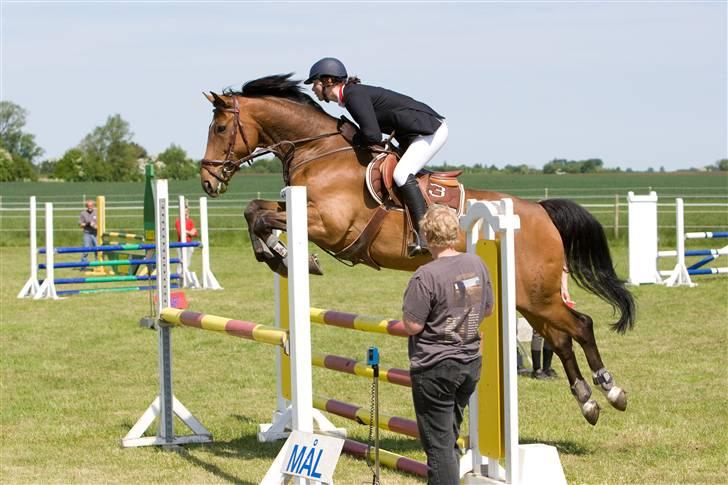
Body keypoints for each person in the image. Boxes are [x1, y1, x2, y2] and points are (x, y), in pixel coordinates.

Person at [305, 57, 448, 256]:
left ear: (328, 81)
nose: (313, 89)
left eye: (315, 83)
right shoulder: (351, 96)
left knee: (401, 174)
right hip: (411, 134)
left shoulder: (353, 95)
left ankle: (425, 235)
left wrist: (354, 137)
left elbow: (372, 135)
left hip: (429, 130)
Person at [401, 204, 494, 484]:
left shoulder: (425, 275)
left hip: (435, 367)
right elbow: (487, 309)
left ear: (426, 236)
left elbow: (412, 325)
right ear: (455, 232)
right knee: (448, 435)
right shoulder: (476, 264)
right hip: (469, 362)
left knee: (439, 447)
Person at [175, 203, 198, 271]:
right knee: (181, 261)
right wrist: (190, 232)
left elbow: (195, 233)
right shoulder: (178, 221)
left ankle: (185, 273)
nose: (186, 213)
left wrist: (186, 231)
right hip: (181, 245)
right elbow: (181, 233)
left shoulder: (190, 221)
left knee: (188, 262)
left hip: (189, 244)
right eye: (185, 212)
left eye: (187, 211)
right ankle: (179, 274)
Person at [78, 199, 98, 265]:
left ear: (94, 206)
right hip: (87, 233)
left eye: (91, 205)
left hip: (96, 233)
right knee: (85, 249)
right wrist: (88, 224)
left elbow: (101, 224)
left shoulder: (97, 212)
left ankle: (98, 264)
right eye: (88, 206)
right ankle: (83, 265)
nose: (90, 207)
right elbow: (80, 225)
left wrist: (95, 226)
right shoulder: (83, 213)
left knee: (98, 249)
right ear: (86, 206)